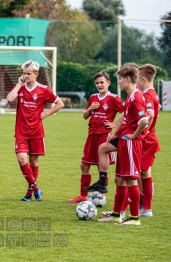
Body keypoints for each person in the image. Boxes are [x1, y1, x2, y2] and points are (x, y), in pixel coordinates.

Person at [6, 60, 64, 202]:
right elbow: (10, 98)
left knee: (33, 161)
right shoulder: (20, 88)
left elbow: (60, 103)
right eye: (24, 73)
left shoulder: (44, 90)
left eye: (29, 74)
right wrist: (19, 84)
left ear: (36, 74)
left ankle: (29, 193)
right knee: (21, 159)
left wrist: (46, 113)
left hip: (37, 131)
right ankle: (36, 188)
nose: (26, 76)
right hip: (21, 131)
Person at [97, 64, 148, 225]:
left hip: (132, 143)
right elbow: (125, 118)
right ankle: (116, 214)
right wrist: (114, 133)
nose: (118, 82)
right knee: (119, 179)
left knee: (131, 179)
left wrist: (133, 135)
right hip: (124, 143)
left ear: (127, 79)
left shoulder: (137, 97)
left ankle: (134, 218)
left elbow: (144, 121)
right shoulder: (130, 96)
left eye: (119, 79)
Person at [67, 72, 124, 203]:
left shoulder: (114, 98)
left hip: (105, 136)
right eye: (97, 83)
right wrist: (89, 109)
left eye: (102, 82)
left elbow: (127, 113)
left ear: (108, 83)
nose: (99, 85)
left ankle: (101, 197)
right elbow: (85, 116)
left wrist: (114, 124)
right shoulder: (93, 97)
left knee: (101, 167)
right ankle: (83, 195)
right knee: (84, 166)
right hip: (91, 135)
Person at [137, 64, 160, 217]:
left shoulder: (147, 95)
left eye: (137, 78)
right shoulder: (152, 93)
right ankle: (143, 205)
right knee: (141, 173)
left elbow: (150, 114)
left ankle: (146, 207)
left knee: (141, 173)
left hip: (148, 140)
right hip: (149, 138)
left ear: (143, 79)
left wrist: (144, 132)